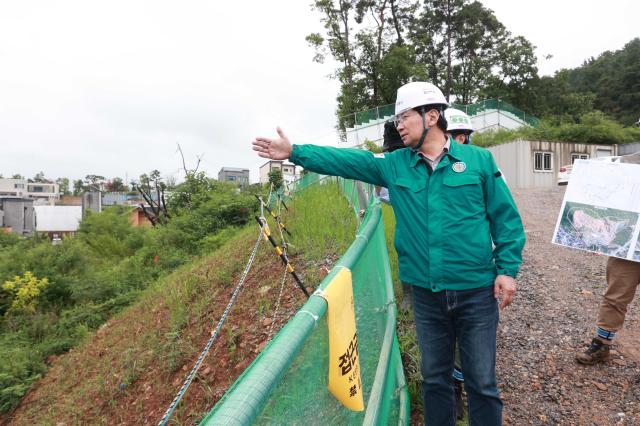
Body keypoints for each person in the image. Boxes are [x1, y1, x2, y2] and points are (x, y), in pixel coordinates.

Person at [252, 81, 526, 426]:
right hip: (426, 294)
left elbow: (506, 219)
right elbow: (348, 161)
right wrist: (295, 152)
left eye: (405, 116)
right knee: (435, 378)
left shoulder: (478, 161)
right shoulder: (395, 165)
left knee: (482, 382)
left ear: (432, 116)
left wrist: (507, 269)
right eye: (397, 118)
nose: (399, 124)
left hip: (475, 291)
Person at [576, 153, 640, 365]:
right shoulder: (625, 164)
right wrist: (596, 238)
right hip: (628, 246)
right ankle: (602, 344)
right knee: (615, 297)